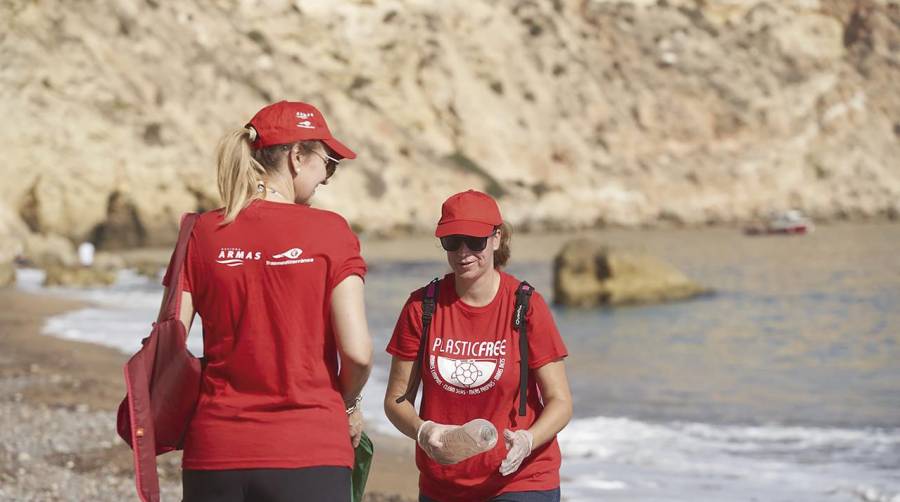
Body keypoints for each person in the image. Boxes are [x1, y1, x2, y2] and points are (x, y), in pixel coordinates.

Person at [160, 100, 372, 502]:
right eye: (328, 163)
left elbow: (169, 342)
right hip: (310, 448)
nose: (327, 177)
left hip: (217, 448)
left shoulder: (201, 232)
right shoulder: (331, 232)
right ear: (296, 157)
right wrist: (346, 404)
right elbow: (358, 353)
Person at [384, 189, 573, 502]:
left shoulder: (526, 306)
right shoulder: (422, 307)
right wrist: (424, 431)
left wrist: (527, 440)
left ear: (496, 238)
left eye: (475, 241)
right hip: (443, 484)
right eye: (452, 241)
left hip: (521, 479)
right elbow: (396, 400)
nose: (463, 252)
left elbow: (560, 401)